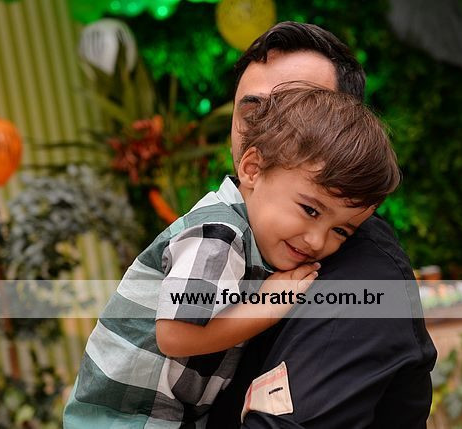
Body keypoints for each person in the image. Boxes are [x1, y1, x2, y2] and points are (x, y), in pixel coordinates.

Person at [63, 85, 400, 428]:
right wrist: (267, 308)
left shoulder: (251, 236)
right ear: (252, 169)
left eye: (341, 231)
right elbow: (173, 335)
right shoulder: (219, 235)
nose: (317, 241)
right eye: (310, 210)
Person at [206, 22, 437, 428]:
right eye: (252, 112)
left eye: (298, 110)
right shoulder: (220, 239)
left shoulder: (363, 281)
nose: (265, 131)